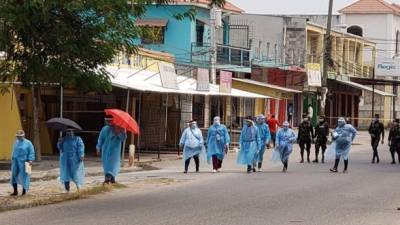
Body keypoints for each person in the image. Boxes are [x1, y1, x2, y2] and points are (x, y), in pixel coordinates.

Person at [96, 115, 127, 184]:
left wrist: (118, 132)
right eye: (107, 121)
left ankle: (107, 180)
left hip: (115, 151)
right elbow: (100, 139)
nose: (108, 122)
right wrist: (98, 148)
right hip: (105, 150)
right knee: (106, 165)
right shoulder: (104, 129)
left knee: (113, 164)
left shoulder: (121, 128)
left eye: (109, 121)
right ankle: (112, 179)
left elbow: (123, 138)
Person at [10, 130, 35, 196]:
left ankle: (24, 192)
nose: (18, 137)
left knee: (25, 176)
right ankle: (15, 191)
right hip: (16, 161)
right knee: (14, 175)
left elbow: (31, 152)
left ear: (23, 136)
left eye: (20, 136)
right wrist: (12, 157)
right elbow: (14, 150)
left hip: (26, 162)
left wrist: (31, 160)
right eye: (17, 136)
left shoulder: (28, 143)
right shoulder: (16, 142)